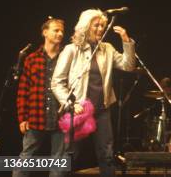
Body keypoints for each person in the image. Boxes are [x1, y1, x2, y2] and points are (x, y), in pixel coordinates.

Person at [52, 9, 136, 177]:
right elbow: (57, 82)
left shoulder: (108, 49)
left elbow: (128, 65)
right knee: (69, 156)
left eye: (102, 26)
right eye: (96, 25)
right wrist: (70, 104)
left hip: (102, 110)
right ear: (85, 26)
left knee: (106, 154)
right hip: (79, 110)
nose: (100, 29)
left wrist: (126, 41)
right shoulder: (71, 50)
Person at [14, 18, 66, 177]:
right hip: (36, 116)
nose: (60, 33)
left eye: (62, 31)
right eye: (56, 30)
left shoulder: (67, 57)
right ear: (45, 32)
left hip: (60, 116)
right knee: (26, 157)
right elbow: (23, 90)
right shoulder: (31, 59)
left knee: (58, 162)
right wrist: (22, 117)